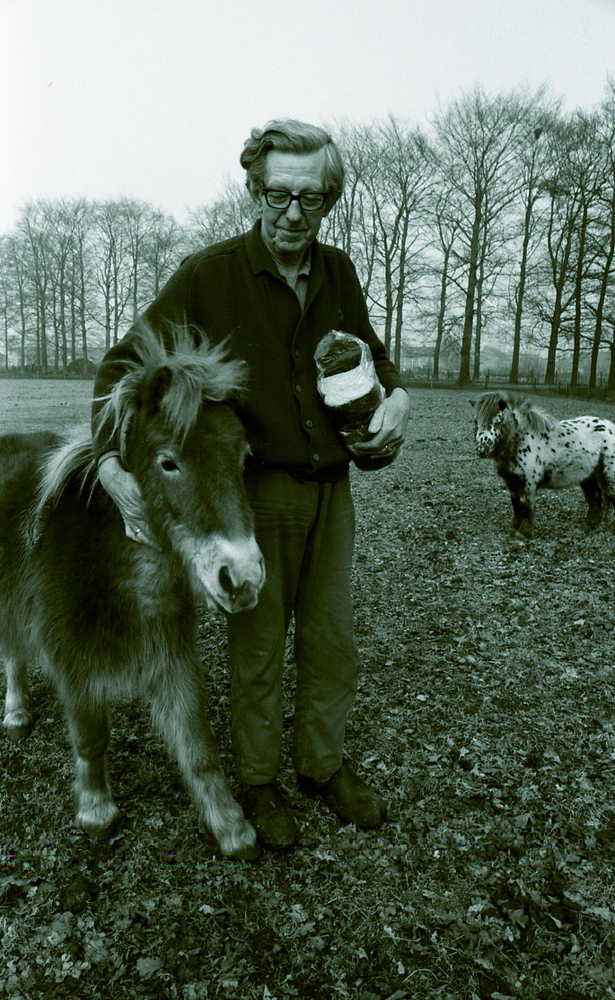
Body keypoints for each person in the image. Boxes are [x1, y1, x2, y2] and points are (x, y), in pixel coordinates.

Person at [93, 119, 410, 850]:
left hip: (332, 491)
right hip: (254, 496)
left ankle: (322, 767)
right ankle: (261, 783)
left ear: (329, 198)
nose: (293, 213)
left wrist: (396, 397)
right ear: (253, 191)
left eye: (311, 198)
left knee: (331, 643)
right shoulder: (208, 275)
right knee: (258, 648)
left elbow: (373, 352)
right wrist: (111, 463)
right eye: (277, 195)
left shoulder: (338, 272)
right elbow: (120, 367)